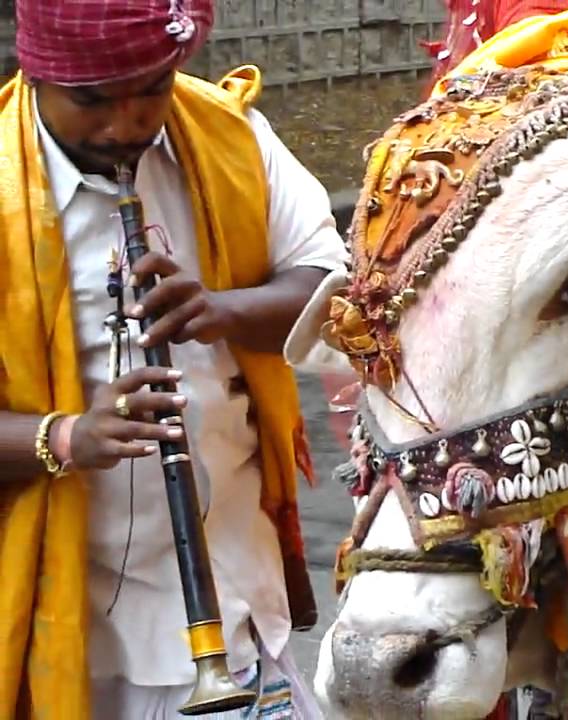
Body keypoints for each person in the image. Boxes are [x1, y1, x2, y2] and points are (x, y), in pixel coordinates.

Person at [0, 1, 346, 717]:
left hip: (237, 596)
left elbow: (330, 282)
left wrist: (223, 311)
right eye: (91, 101)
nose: (124, 125)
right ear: (34, 73)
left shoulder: (228, 130)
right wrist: (67, 437)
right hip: (67, 629)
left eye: (151, 90)